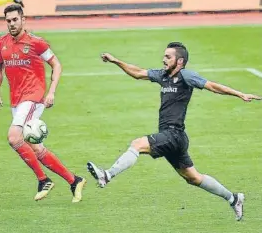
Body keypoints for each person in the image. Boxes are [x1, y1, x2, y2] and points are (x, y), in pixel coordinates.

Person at [87, 42, 261, 221]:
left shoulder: (186, 76)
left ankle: (107, 175)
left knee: (137, 144)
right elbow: (138, 73)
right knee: (193, 178)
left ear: (180, 61)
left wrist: (240, 94)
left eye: (168, 57)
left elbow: (212, 86)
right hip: (175, 138)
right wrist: (115, 60)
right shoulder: (163, 75)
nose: (163, 59)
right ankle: (233, 198)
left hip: (174, 135)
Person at [0, 4, 86, 202]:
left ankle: (43, 179)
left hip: (33, 97)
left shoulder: (36, 43)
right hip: (16, 101)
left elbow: (56, 64)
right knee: (36, 148)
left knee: (13, 137)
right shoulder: (1, 43)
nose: (11, 24)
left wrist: (51, 92)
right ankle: (74, 181)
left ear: (23, 19)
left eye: (15, 20)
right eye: (8, 21)